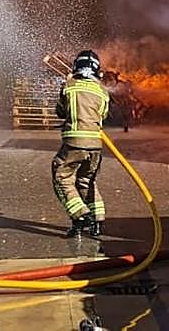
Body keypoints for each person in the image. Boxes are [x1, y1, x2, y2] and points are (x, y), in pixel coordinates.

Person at [53, 49, 110, 238]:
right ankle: (98, 221)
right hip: (95, 145)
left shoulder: (69, 86)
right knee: (87, 180)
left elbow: (60, 111)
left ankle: (80, 216)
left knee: (61, 176)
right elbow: (103, 115)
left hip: (74, 143)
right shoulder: (102, 91)